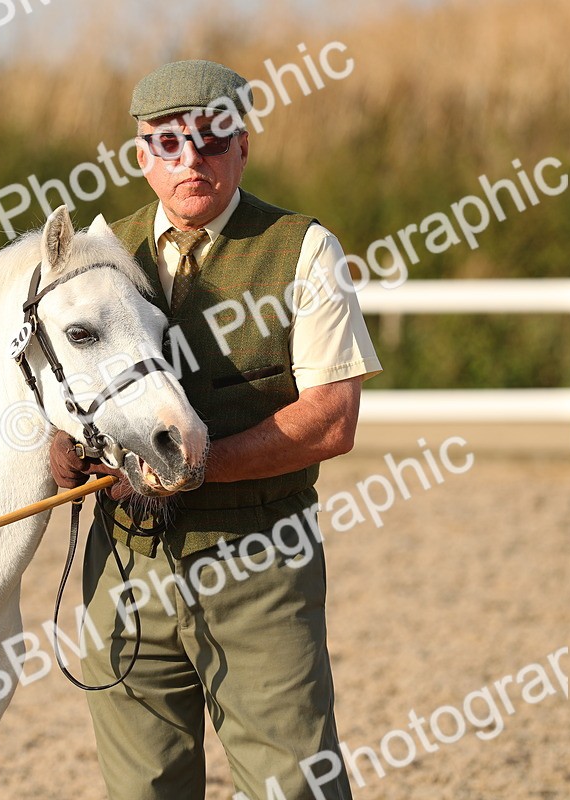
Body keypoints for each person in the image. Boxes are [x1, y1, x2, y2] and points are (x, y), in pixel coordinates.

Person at [49, 59, 382, 800]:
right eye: (167, 143)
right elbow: (53, 379)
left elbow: (331, 419)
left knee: (292, 786)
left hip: (260, 560)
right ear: (142, 156)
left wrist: (200, 467)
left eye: (210, 139)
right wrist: (59, 443)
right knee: (144, 791)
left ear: (242, 146)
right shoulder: (98, 253)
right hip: (125, 568)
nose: (189, 159)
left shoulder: (302, 249)